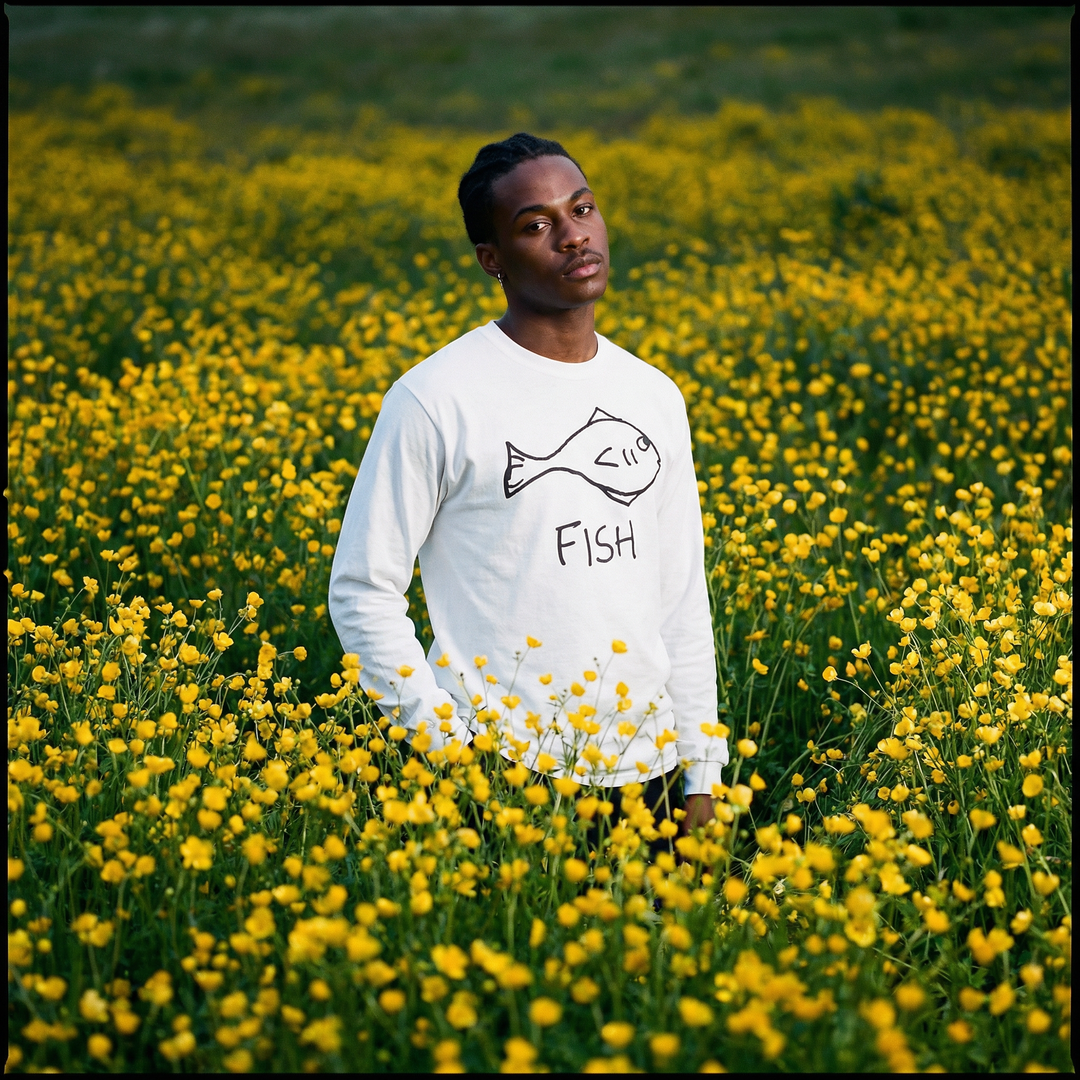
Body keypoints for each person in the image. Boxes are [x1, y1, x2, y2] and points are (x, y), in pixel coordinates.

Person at [328, 133, 726, 833]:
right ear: (492, 260)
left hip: (651, 768)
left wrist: (702, 769)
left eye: (583, 209)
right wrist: (450, 753)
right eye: (536, 225)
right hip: (502, 773)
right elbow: (362, 590)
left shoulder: (653, 394)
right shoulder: (434, 397)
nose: (572, 236)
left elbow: (681, 597)